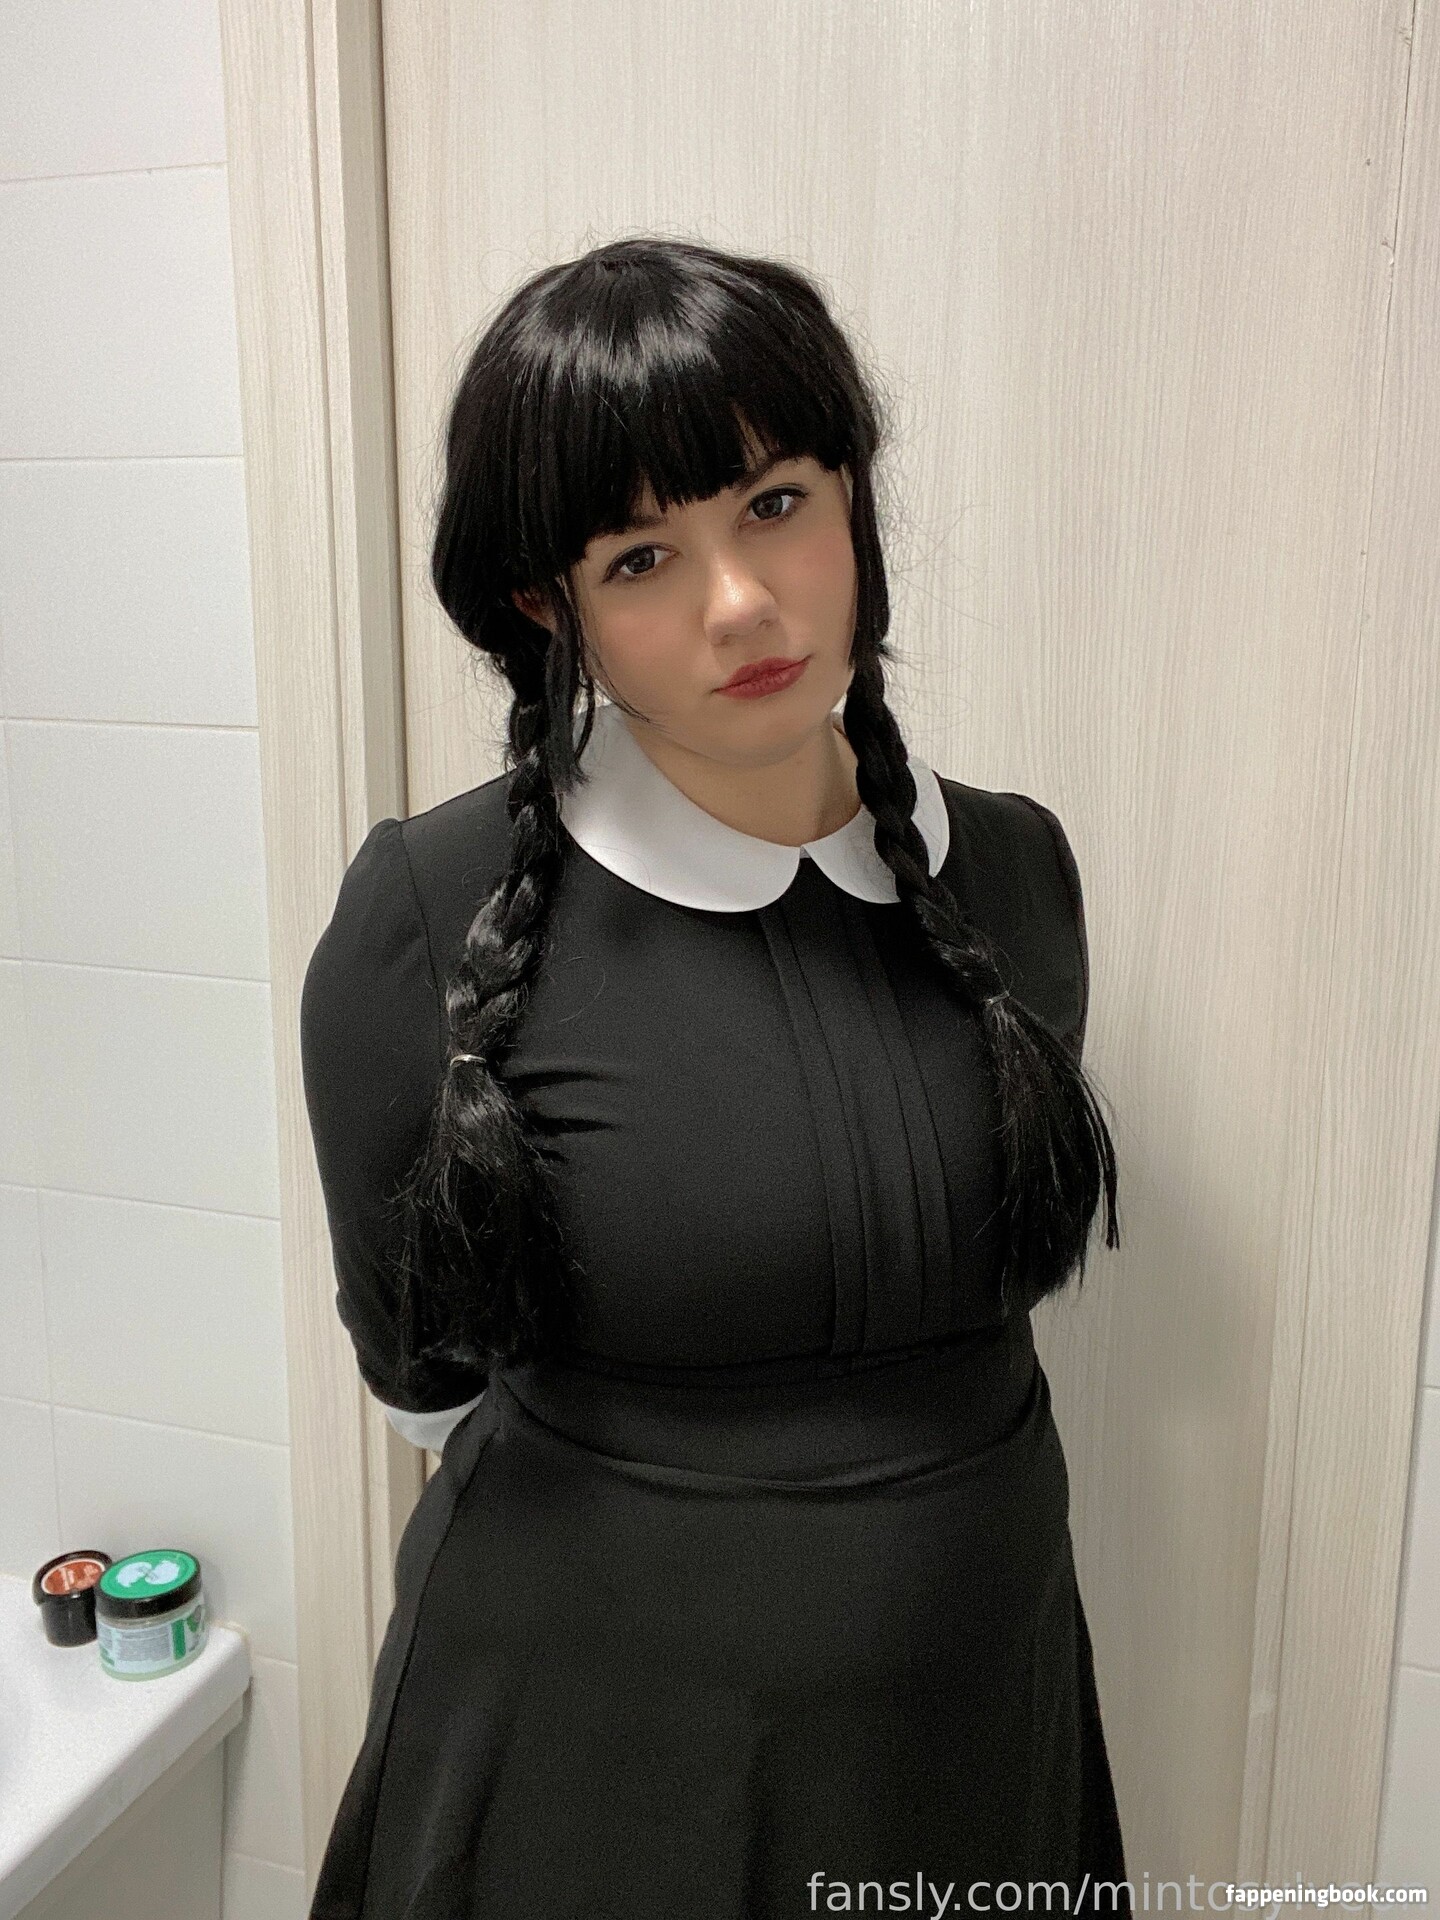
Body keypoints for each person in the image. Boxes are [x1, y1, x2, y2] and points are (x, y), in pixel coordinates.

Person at [299, 234, 1128, 1920]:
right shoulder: (427, 917)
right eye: (641, 556)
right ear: (549, 606)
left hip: (983, 1723)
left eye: (776, 503)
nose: (741, 603)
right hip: (593, 1763)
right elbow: (418, 1374)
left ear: (853, 497)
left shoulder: (1019, 869)